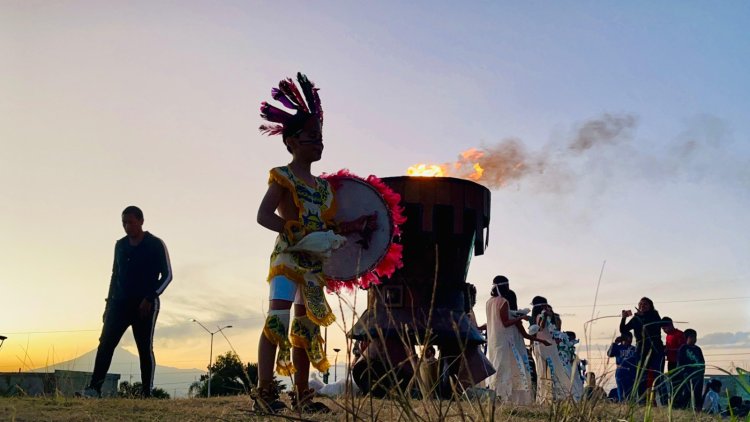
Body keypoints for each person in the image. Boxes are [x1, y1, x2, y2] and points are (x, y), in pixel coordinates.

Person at [253, 73, 375, 414]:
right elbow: (264, 216)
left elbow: (327, 224)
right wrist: (294, 233)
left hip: (312, 267)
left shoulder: (323, 189)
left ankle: (303, 394)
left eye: (320, 138)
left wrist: (357, 227)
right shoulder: (283, 176)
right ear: (291, 142)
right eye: (310, 138)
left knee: (305, 327)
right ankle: (264, 392)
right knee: (277, 319)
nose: (318, 144)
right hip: (287, 261)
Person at [81, 206, 172, 398]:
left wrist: (150, 297)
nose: (127, 226)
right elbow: (115, 275)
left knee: (144, 348)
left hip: (145, 306)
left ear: (140, 221)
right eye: (123, 222)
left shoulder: (155, 244)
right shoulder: (120, 245)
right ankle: (94, 388)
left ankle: (147, 392)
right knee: (105, 344)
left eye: (130, 222)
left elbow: (167, 275)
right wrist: (108, 305)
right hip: (119, 304)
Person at [486, 276, 538, 404]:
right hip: (505, 339)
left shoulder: (489, 302)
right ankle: (506, 397)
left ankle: (498, 394)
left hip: (494, 339)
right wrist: (521, 318)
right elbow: (505, 323)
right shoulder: (503, 301)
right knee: (508, 366)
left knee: (498, 365)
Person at [530, 296, 578, 402]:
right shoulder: (540, 316)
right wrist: (545, 315)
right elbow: (541, 327)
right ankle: (551, 396)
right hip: (546, 347)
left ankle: (552, 396)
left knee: (547, 371)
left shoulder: (541, 317)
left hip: (543, 346)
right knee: (551, 371)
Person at [619, 297, 664, 400]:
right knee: (641, 375)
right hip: (642, 350)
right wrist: (624, 318)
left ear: (650, 306)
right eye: (640, 304)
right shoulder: (636, 318)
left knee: (658, 375)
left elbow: (652, 327)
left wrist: (642, 317)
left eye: (645, 304)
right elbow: (623, 330)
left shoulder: (655, 315)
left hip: (655, 349)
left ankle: (662, 400)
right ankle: (642, 400)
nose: (642, 306)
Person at [674, 328, 705, 410]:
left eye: (695, 337)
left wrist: (701, 372)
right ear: (687, 338)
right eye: (692, 337)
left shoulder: (698, 349)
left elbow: (702, 362)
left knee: (698, 393)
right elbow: (680, 362)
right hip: (687, 375)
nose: (694, 339)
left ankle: (698, 409)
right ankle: (682, 408)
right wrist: (683, 373)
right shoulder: (683, 348)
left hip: (698, 375)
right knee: (687, 393)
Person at [607, 331, 639, 402]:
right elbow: (609, 354)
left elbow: (635, 359)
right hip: (620, 372)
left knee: (630, 393)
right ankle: (621, 404)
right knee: (620, 391)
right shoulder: (618, 348)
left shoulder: (633, 349)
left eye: (630, 338)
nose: (629, 340)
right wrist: (615, 343)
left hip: (630, 372)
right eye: (627, 338)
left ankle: (629, 404)